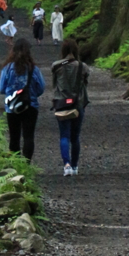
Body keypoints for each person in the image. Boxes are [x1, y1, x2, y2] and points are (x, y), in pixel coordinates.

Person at [0, 38, 45, 161]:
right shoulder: (34, 69)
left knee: (14, 137)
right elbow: (41, 88)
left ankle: (15, 165)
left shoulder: (7, 68)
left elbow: (1, 88)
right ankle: (26, 163)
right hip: (31, 105)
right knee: (28, 136)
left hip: (12, 107)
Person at [51, 38, 89, 175]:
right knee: (75, 136)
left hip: (61, 103)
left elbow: (54, 85)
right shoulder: (82, 66)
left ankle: (66, 164)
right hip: (77, 103)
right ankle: (75, 166)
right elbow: (85, 83)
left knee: (64, 136)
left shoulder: (56, 66)